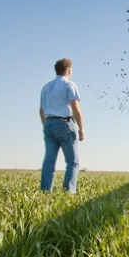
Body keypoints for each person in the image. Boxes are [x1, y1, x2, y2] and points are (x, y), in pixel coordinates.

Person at [39, 58, 85, 194]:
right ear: (69, 70)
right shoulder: (69, 85)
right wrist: (81, 129)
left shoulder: (46, 87)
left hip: (48, 123)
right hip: (64, 123)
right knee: (73, 162)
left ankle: (45, 192)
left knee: (49, 161)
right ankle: (68, 193)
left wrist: (46, 126)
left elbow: (41, 111)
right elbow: (75, 106)